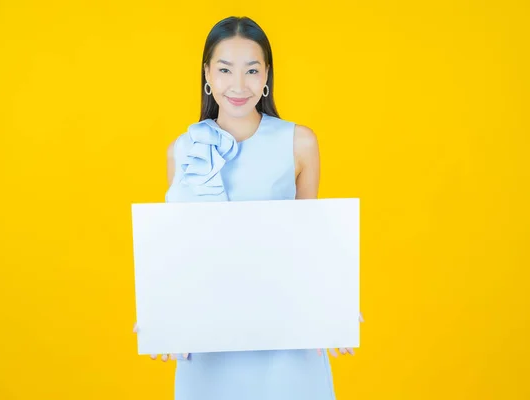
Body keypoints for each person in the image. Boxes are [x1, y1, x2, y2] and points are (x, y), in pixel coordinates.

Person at [133, 16, 363, 400]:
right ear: (207, 74)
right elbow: (179, 248)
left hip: (285, 339)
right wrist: (161, 311)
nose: (238, 85)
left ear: (267, 74)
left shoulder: (299, 142)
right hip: (208, 342)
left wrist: (332, 303)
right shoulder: (182, 150)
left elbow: (311, 239)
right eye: (224, 70)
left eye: (252, 70)